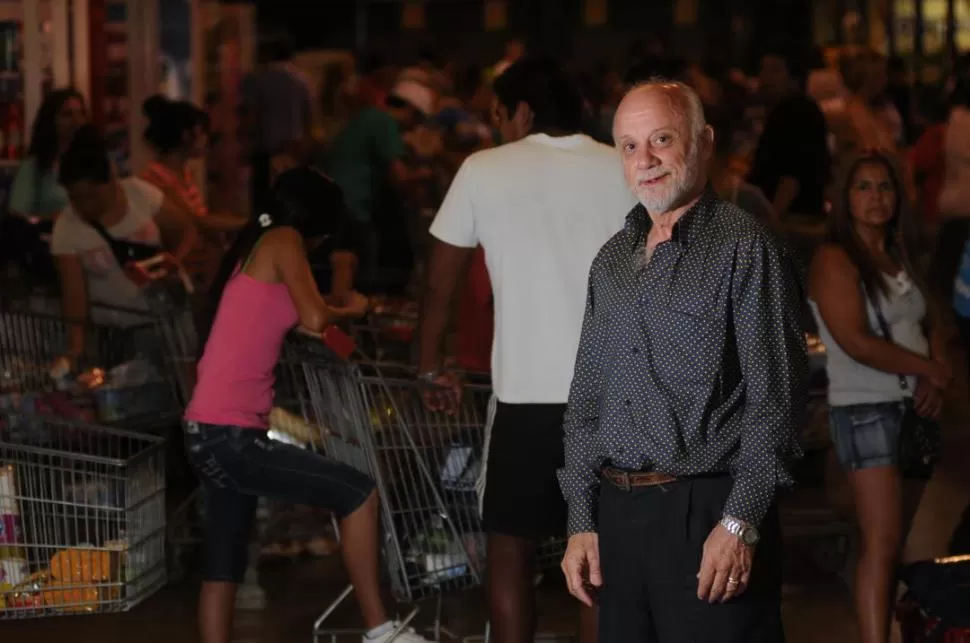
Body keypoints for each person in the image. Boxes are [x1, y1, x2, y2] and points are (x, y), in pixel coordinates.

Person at [558, 80, 807, 643]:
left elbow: (778, 402)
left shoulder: (746, 247)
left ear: (703, 141)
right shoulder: (613, 260)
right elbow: (585, 405)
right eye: (627, 146)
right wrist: (581, 520)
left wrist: (740, 523)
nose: (644, 160)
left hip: (708, 511)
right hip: (616, 517)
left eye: (661, 139)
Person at [417, 56, 635, 643]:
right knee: (597, 554)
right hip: (613, 401)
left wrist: (429, 366)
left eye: (499, 115)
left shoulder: (484, 169)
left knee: (509, 547)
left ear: (521, 112)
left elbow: (439, 284)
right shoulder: (624, 167)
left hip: (524, 400)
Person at [183, 167, 433, 643]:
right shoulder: (283, 240)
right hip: (231, 434)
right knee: (359, 492)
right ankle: (381, 631)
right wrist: (356, 309)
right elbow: (319, 315)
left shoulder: (257, 250)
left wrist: (345, 322)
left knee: (224, 562)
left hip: (207, 432)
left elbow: (311, 326)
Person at [808, 152, 951, 643]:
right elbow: (855, 341)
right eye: (864, 187)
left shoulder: (901, 253)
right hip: (865, 408)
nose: (876, 197)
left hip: (915, 408)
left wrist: (934, 373)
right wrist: (927, 369)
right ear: (845, 197)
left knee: (893, 543)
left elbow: (931, 322)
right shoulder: (835, 259)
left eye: (885, 188)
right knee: (881, 541)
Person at [50, 125, 199, 358]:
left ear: (110, 180)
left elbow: (186, 230)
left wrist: (176, 260)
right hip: (117, 334)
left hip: (167, 320)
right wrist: (76, 348)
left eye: (91, 195)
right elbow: (74, 296)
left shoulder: (141, 195)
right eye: (75, 198)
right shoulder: (67, 228)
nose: (84, 206)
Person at [139, 95, 246, 289]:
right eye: (203, 132)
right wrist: (249, 223)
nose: (206, 139)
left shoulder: (184, 174)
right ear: (186, 135)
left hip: (197, 267)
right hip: (179, 270)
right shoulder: (156, 179)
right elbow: (194, 220)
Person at [3, 88, 86, 279]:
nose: (76, 121)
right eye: (67, 114)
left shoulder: (94, 164)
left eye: (80, 113)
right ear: (52, 121)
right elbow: (17, 217)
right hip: (51, 255)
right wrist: (53, 218)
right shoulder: (35, 167)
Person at [746, 45, 831, 220]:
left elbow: (791, 177)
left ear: (794, 77)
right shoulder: (787, 109)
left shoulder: (794, 112)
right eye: (763, 69)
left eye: (775, 70)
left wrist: (771, 223)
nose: (765, 78)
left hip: (793, 222)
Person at [240, 36, 313, 213]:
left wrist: (243, 143)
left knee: (263, 198)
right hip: (293, 148)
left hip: (264, 148)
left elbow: (250, 115)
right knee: (290, 195)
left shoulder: (256, 78)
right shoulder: (301, 80)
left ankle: (263, 232)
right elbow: (308, 116)